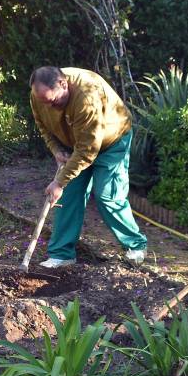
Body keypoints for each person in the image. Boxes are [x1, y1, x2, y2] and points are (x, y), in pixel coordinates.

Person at [29, 66, 147, 268]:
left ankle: (136, 245)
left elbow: (87, 151)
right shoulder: (39, 95)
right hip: (75, 143)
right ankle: (62, 254)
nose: (50, 107)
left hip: (111, 142)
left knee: (107, 195)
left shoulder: (86, 96)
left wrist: (58, 181)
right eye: (45, 103)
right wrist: (56, 150)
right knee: (68, 195)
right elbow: (43, 126)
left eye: (54, 101)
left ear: (63, 84)